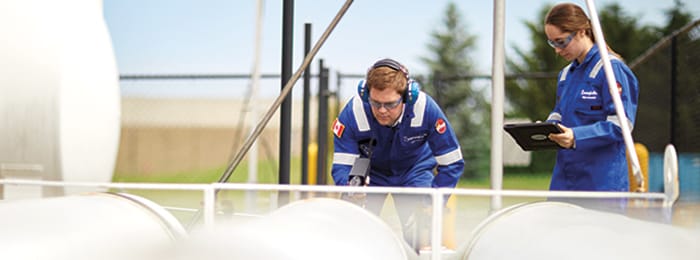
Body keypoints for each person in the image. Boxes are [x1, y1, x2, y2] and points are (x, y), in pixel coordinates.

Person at [330, 58, 464, 246]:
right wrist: (351, 189)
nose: (382, 110)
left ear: (407, 97)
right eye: (375, 103)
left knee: (420, 234)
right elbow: (343, 165)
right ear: (366, 94)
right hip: (371, 173)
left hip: (414, 171)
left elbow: (452, 161)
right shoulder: (353, 112)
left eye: (391, 104)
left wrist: (434, 200)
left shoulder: (426, 109)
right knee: (358, 231)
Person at [543, 3, 639, 192]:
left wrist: (576, 137)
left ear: (581, 32)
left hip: (600, 183)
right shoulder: (565, 75)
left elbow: (622, 125)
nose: (557, 50)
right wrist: (545, 127)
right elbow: (559, 113)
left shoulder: (611, 70)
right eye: (552, 43)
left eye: (561, 41)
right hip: (565, 181)